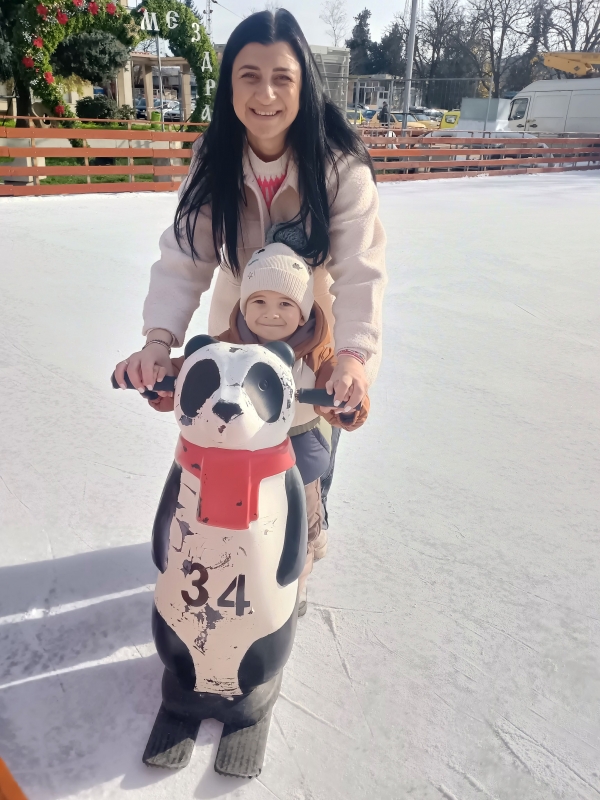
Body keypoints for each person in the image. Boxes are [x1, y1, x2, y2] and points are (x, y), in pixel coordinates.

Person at [114, 8, 386, 530]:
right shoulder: (214, 156)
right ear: (230, 86)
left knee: (306, 434)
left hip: (310, 323)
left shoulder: (338, 164)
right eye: (249, 76)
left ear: (304, 84)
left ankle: (306, 527)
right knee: (233, 426)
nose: (266, 94)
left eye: (282, 78)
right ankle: (225, 536)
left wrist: (353, 358)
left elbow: (361, 269)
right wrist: (158, 341)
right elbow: (185, 254)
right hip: (237, 317)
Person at [149, 242, 369, 615]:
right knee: (245, 513)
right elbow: (191, 371)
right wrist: (161, 379)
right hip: (243, 451)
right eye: (259, 302)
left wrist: (346, 405)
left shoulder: (317, 352)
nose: (271, 314)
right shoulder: (226, 345)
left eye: (285, 304)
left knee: (301, 517)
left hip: (299, 445)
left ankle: (297, 578)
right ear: (244, 305)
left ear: (302, 311)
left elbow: (339, 388)